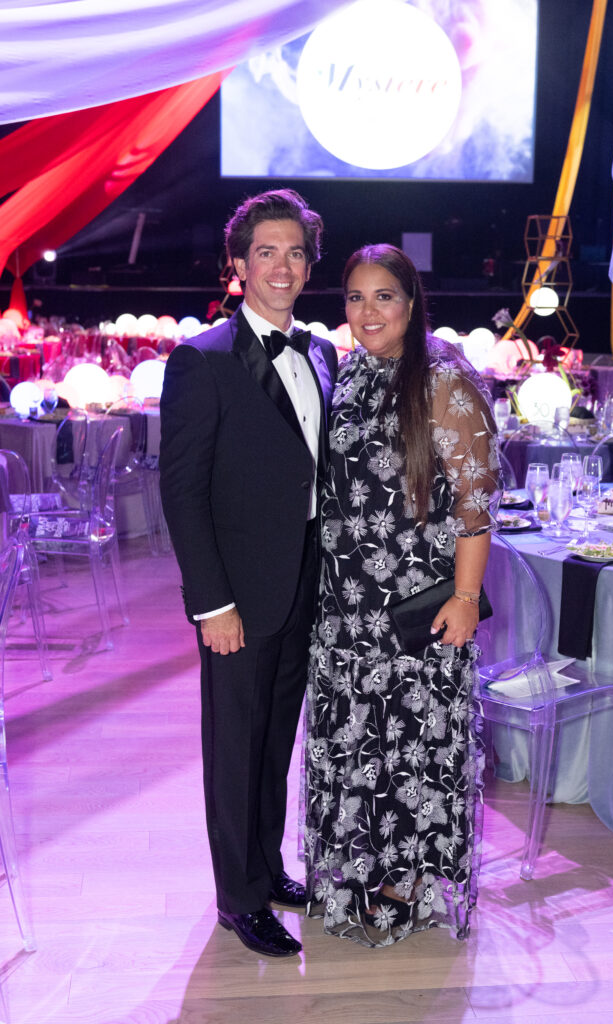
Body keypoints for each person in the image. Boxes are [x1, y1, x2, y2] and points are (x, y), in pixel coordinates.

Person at [304, 243, 499, 946]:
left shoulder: (442, 380)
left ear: (411, 304)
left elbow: (476, 503)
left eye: (383, 296)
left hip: (417, 610)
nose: (368, 312)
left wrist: (467, 597)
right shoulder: (350, 374)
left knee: (412, 744)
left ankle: (404, 880)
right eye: (355, 298)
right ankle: (359, 867)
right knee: (357, 741)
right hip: (344, 610)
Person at [160, 189, 337, 958]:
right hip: (237, 594)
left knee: (273, 742)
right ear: (238, 264)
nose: (282, 267)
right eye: (266, 252)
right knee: (234, 747)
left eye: (295, 252)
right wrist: (211, 604)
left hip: (304, 582)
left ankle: (266, 869)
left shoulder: (321, 353)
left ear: (309, 264)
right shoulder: (200, 360)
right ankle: (237, 898)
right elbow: (181, 492)